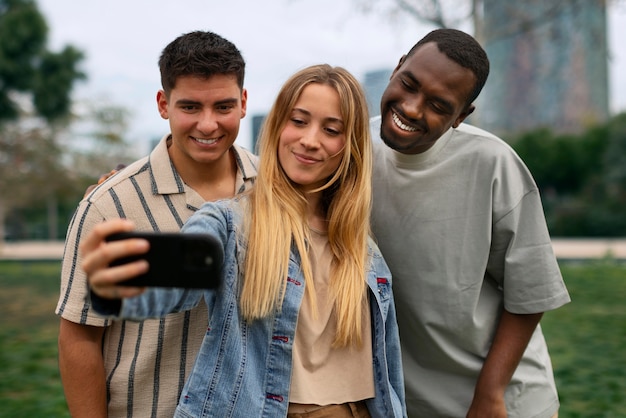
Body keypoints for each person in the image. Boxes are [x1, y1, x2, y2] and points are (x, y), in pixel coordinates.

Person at [81, 64, 406, 418]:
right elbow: (178, 280)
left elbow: (388, 372)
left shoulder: (365, 249)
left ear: (350, 144)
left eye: (331, 129)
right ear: (278, 125)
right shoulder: (228, 223)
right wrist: (124, 279)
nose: (311, 140)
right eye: (298, 121)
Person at [370, 28, 571, 418]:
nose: (411, 108)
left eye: (439, 105)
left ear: (461, 116)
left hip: (501, 399)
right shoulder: (353, 148)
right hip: (403, 401)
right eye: (408, 84)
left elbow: (530, 294)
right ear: (397, 69)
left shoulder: (494, 164)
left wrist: (490, 395)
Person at [55, 31, 257, 418]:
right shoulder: (108, 205)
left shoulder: (274, 190)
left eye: (223, 106)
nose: (208, 124)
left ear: (244, 103)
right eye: (191, 107)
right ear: (164, 104)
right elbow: (79, 336)